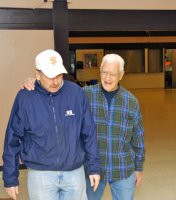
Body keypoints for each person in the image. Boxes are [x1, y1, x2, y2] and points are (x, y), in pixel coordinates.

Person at [22, 53, 145, 200]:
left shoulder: (131, 101)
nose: (107, 78)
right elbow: (56, 90)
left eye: (113, 74)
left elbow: (138, 138)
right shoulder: (84, 94)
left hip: (122, 169)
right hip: (92, 169)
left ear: (121, 75)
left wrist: (138, 167)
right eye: (104, 72)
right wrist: (34, 82)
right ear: (99, 72)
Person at [2, 49, 100, 200]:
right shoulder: (25, 98)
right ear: (37, 75)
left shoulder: (75, 93)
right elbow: (12, 139)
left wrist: (94, 168)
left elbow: (89, 132)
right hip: (41, 176)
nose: (55, 81)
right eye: (50, 76)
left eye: (59, 75)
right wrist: (10, 178)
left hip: (74, 173)